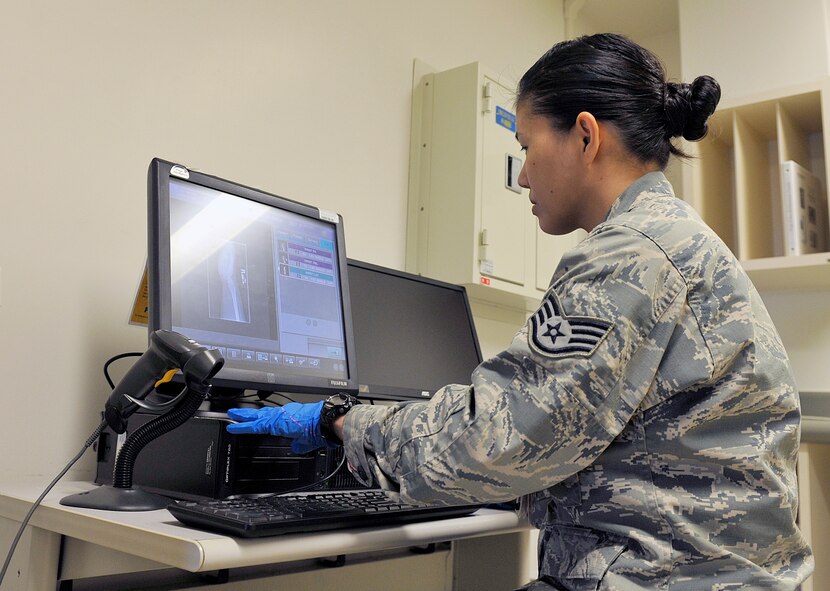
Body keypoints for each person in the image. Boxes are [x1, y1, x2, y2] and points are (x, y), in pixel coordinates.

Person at [226, 33, 814, 590]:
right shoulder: (673, 238)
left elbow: (495, 439)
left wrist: (339, 421)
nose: (525, 174)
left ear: (585, 136)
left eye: (527, 148)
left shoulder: (630, 255)